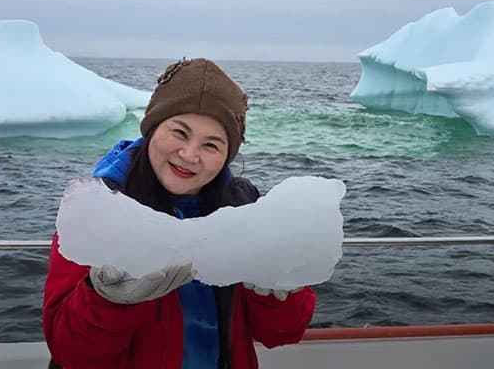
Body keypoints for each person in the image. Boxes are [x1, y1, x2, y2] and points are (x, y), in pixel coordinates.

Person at [42, 58, 316, 368]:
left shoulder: (245, 208)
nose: (189, 155)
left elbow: (282, 332)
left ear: (227, 155)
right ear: (152, 128)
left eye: (211, 145)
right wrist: (107, 299)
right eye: (180, 133)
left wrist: (280, 291)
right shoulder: (97, 209)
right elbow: (70, 352)